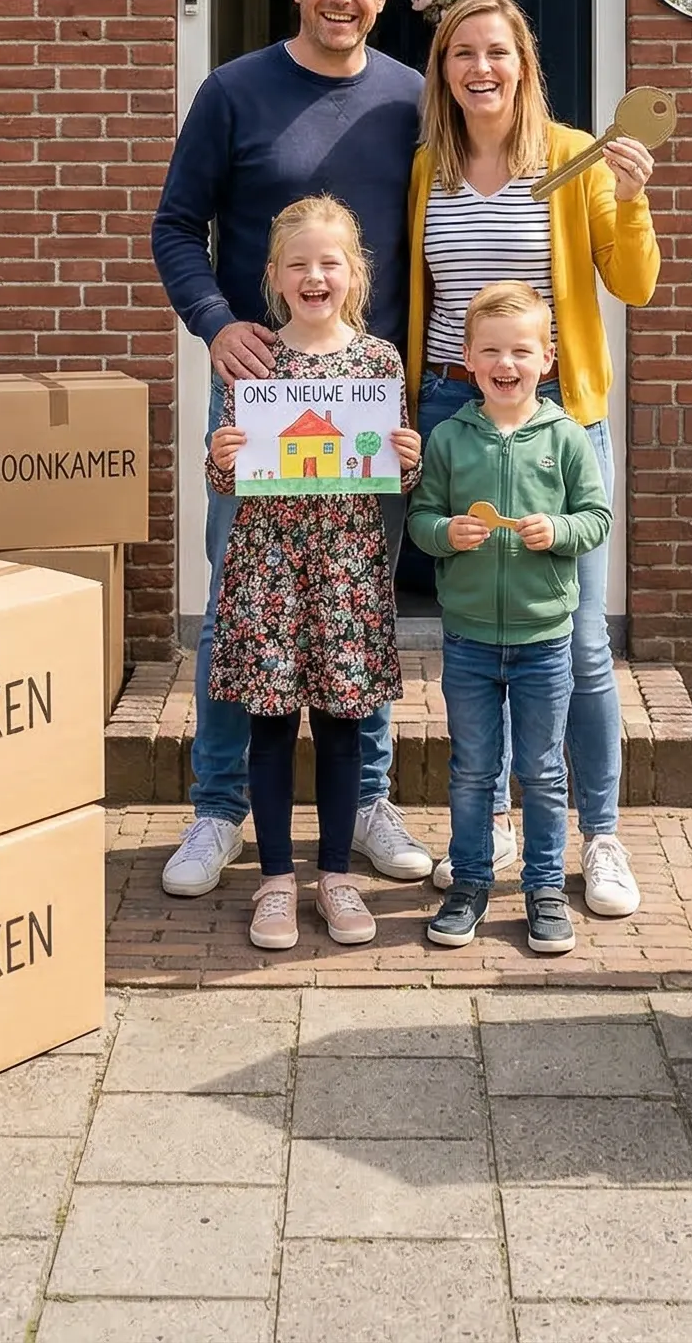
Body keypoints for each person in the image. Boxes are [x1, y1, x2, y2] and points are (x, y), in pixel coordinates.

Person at [150, 0, 434, 897]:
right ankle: (217, 807)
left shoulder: (413, 100)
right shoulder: (234, 91)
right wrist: (214, 322)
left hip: (367, 396)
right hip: (259, 392)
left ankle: (368, 803)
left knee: (363, 598)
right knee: (240, 595)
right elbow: (176, 226)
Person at [407, 0, 660, 917]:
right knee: (485, 627)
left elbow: (633, 281)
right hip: (451, 405)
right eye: (462, 53)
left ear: (525, 65)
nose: (481, 69)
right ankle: (500, 822)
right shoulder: (428, 168)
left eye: (497, 53)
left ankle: (602, 835)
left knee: (579, 639)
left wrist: (631, 200)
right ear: (443, 70)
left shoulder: (574, 156)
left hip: (555, 414)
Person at [208, 197, 421, 949]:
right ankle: (274, 879)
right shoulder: (255, 361)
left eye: (330, 263)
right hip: (268, 566)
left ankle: (334, 875)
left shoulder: (379, 362)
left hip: (346, 568)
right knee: (269, 726)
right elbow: (228, 476)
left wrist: (408, 460)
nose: (314, 277)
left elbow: (393, 476)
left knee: (342, 726)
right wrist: (222, 459)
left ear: (354, 273)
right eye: (298, 264)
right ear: (274, 276)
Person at [409, 282, 611, 954]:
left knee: (544, 772)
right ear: (468, 360)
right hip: (467, 638)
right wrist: (446, 534)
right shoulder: (448, 439)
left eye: (522, 351)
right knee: (471, 770)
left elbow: (597, 518)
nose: (507, 364)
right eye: (491, 351)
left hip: (544, 640)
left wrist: (559, 530)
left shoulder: (568, 438)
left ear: (547, 360)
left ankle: (544, 888)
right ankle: (469, 883)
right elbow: (420, 519)